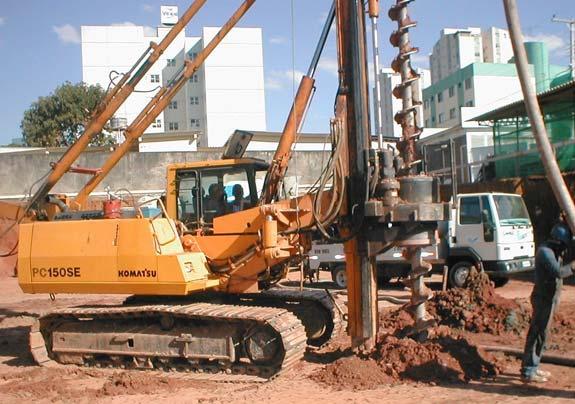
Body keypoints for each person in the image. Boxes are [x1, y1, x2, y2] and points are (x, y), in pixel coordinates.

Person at [521, 222, 575, 383]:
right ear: (558, 241)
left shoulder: (555, 250)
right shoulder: (545, 252)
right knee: (537, 333)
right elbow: (558, 272)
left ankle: (533, 368)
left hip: (550, 298)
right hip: (543, 298)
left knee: (542, 335)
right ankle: (528, 371)